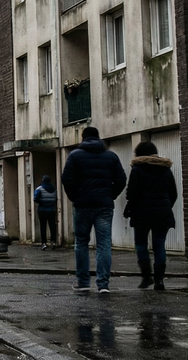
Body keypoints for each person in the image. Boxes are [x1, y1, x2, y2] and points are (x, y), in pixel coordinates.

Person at [61, 126, 126, 293]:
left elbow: (66, 179)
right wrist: (110, 195)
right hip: (103, 205)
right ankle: (103, 284)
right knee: (104, 244)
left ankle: (83, 282)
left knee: (81, 242)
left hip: (82, 205)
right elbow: (121, 179)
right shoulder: (111, 156)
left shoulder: (75, 156)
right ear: (99, 138)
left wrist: (75, 197)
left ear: (83, 138)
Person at [124, 141, 178, 290]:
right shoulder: (165, 169)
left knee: (141, 244)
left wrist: (133, 208)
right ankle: (159, 280)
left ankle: (146, 277)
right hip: (163, 213)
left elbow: (131, 193)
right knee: (159, 245)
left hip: (142, 213)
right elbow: (173, 193)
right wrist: (165, 206)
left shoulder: (137, 169)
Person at [33, 175, 59, 249]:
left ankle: (44, 243)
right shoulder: (54, 189)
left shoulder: (39, 189)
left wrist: (42, 202)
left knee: (43, 226)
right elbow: (56, 199)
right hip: (52, 210)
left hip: (42, 210)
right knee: (52, 226)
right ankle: (53, 242)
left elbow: (35, 199)